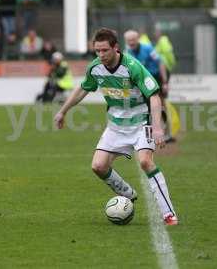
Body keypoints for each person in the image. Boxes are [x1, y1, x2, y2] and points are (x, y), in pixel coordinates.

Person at [54, 28, 178, 225]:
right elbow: (82, 89)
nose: (101, 55)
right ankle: (127, 193)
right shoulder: (95, 68)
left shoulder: (132, 66)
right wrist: (63, 111)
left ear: (116, 48)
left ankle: (168, 213)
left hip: (140, 123)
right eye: (97, 51)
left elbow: (153, 96)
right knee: (98, 166)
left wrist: (157, 127)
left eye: (105, 50)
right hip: (116, 126)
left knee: (145, 162)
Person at [124, 29, 175, 143]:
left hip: (157, 77)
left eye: (133, 40)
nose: (131, 42)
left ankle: (167, 134)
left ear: (137, 39)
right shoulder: (127, 51)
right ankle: (147, 135)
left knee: (160, 105)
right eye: (128, 40)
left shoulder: (147, 48)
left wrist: (165, 82)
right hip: (143, 80)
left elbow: (160, 63)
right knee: (144, 107)